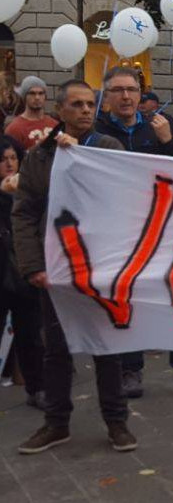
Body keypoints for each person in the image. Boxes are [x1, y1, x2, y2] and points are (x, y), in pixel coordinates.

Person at [14, 80, 137, 454]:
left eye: (90, 105)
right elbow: (25, 212)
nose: (85, 110)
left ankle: (116, 422)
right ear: (61, 110)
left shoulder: (109, 148)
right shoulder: (40, 156)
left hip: (99, 266)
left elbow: (122, 200)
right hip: (56, 267)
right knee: (57, 349)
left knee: (106, 346)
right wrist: (33, 265)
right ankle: (56, 423)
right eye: (77, 105)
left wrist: (81, 156)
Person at [95, 67, 173, 399]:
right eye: (118, 90)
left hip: (162, 226)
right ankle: (129, 369)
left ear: (140, 93)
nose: (125, 96)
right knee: (126, 299)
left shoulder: (157, 129)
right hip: (118, 230)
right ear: (106, 96)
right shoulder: (94, 132)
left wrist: (167, 143)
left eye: (131, 89)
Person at [0, 135, 43, 410]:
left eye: (13, 158)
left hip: (24, 272)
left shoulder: (27, 191)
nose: (9, 164)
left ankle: (36, 388)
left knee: (30, 334)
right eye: (3, 160)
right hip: (3, 272)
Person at [5, 76, 58, 150]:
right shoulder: (14, 128)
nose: (37, 97)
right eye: (32, 93)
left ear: (45, 97)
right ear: (24, 97)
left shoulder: (54, 124)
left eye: (41, 93)